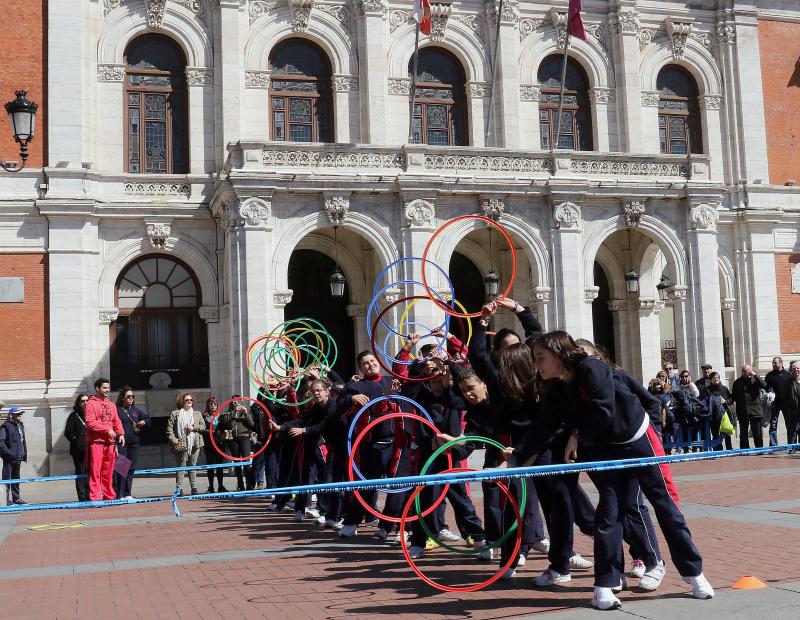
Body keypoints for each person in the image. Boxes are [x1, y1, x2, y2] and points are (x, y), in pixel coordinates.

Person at [525, 331, 713, 610]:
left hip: (638, 439)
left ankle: (694, 573)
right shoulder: (555, 391)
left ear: (558, 353)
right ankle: (604, 584)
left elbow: (603, 409)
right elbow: (543, 428)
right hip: (605, 448)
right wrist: (517, 457)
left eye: (540, 357)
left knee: (665, 506)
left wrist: (577, 435)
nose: (536, 364)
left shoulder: (592, 367)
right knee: (608, 514)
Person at [84, 378, 125, 501]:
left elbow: (116, 421)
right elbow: (90, 423)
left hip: (110, 443)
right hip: (96, 443)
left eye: (108, 387)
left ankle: (109, 495)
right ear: (97, 388)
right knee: (95, 471)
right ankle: (95, 497)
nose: (107, 390)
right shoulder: (90, 404)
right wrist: (107, 429)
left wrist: (121, 434)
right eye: (104, 388)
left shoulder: (112, 405)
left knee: (108, 471)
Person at [113, 386, 150, 500]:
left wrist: (144, 421)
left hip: (134, 443)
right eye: (128, 397)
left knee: (131, 468)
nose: (131, 399)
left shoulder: (135, 410)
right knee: (121, 468)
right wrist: (114, 444)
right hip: (121, 443)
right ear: (122, 398)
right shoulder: (117, 410)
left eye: (132, 397)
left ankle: (127, 493)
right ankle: (119, 494)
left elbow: (148, 419)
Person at [166, 392, 206, 495]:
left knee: (192, 466)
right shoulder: (175, 413)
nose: (189, 402)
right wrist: (174, 439)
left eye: (190, 400)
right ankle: (179, 489)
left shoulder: (197, 413)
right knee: (181, 466)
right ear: (182, 401)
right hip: (180, 443)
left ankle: (194, 488)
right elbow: (169, 429)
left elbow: (203, 427)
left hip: (195, 443)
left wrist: (193, 428)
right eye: (186, 400)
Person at [221, 394, 254, 491]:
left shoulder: (245, 412)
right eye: (234, 402)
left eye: (238, 401)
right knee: (236, 463)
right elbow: (225, 422)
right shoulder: (229, 413)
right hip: (233, 439)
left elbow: (252, 424)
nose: (237, 403)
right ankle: (240, 484)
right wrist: (234, 411)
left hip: (244, 437)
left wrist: (246, 413)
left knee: (246, 462)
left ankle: (249, 484)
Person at [731, 364, 767, 449]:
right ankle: (744, 449)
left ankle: (759, 449)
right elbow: (734, 397)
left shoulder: (755, 380)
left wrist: (755, 375)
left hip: (755, 411)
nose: (744, 373)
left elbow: (764, 385)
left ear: (750, 371)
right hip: (742, 412)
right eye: (743, 371)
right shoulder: (737, 382)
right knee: (743, 433)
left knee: (757, 433)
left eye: (746, 371)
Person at [64, 394, 90, 502]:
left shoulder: (91, 415)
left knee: (90, 472)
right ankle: (82, 496)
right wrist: (77, 442)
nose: (85, 403)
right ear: (78, 403)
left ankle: (90, 494)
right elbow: (68, 432)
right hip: (78, 450)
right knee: (81, 471)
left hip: (91, 449)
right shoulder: (73, 416)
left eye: (87, 400)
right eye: (82, 401)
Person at [0, 407, 28, 505]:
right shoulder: (6, 426)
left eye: (21, 413)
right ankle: (5, 499)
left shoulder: (20, 425)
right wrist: (9, 453)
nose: (20, 415)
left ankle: (16, 498)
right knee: (7, 479)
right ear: (11, 415)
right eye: (18, 413)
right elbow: (1, 442)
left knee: (16, 478)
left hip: (18, 457)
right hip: (10, 458)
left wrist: (23, 453)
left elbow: (22, 441)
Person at [201, 397, 228, 493]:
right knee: (210, 465)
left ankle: (221, 486)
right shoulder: (204, 416)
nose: (213, 406)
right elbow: (201, 429)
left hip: (219, 443)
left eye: (215, 404)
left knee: (219, 466)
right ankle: (211, 487)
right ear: (208, 405)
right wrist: (211, 432)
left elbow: (226, 426)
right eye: (211, 404)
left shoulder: (221, 416)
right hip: (209, 444)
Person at [765, 357, 791, 447]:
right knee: (773, 425)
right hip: (774, 404)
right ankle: (773, 446)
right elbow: (766, 388)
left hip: (787, 405)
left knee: (789, 425)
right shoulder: (769, 376)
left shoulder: (788, 375)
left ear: (781, 363)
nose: (773, 364)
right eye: (772, 363)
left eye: (775, 363)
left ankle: (791, 445)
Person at [706, 372, 734, 450]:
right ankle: (718, 449)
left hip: (724, 414)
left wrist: (726, 401)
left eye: (717, 378)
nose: (716, 379)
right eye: (714, 378)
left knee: (726, 432)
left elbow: (731, 399)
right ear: (710, 380)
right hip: (714, 415)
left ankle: (729, 449)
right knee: (715, 433)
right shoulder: (708, 390)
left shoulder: (724, 388)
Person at [781, 361, 800, 451]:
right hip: (793, 410)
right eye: (794, 368)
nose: (796, 370)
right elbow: (784, 396)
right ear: (791, 371)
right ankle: (792, 448)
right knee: (793, 430)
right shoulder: (788, 382)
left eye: (798, 368)